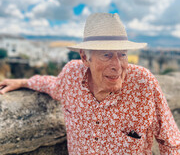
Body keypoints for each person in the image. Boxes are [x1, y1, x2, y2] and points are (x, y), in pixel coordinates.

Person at [0, 13, 180, 155]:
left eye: (122, 54)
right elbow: (53, 86)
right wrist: (24, 82)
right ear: (85, 57)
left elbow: (171, 140)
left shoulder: (143, 83)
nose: (117, 66)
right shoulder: (72, 75)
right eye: (107, 55)